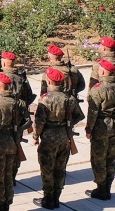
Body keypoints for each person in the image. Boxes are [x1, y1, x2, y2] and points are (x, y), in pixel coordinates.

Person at [34, 66, 83, 210]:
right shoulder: (69, 98)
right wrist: (67, 123)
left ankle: (48, 199)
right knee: (60, 168)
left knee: (47, 169)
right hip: (64, 136)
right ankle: (56, 197)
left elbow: (39, 121)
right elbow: (79, 115)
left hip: (49, 138)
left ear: (49, 81)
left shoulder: (45, 100)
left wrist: (36, 136)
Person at [0, 72, 30, 211]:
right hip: (12, 144)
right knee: (8, 177)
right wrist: (17, 131)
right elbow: (28, 121)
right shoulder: (18, 102)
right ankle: (7, 204)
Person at [84, 58, 115, 201]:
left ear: (103, 71)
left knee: (98, 159)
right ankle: (108, 187)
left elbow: (93, 113)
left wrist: (89, 129)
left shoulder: (97, 89)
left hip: (100, 127)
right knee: (111, 158)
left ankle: (101, 189)